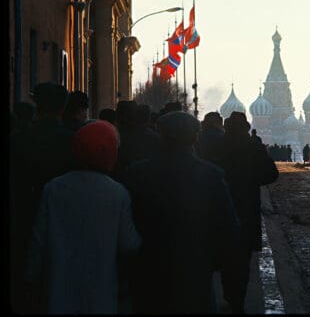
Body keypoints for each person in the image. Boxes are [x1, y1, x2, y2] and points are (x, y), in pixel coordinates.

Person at [124, 111, 240, 313]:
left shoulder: (138, 174)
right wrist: (214, 262)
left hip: (150, 271)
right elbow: (228, 228)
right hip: (195, 271)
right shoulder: (211, 176)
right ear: (196, 137)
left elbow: (129, 226)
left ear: (160, 136)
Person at [24, 120, 141, 313]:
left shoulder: (54, 188)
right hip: (101, 291)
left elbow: (38, 240)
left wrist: (30, 278)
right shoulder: (117, 193)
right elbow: (129, 243)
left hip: (58, 289)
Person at [10, 83, 76, 313]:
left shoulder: (18, 139)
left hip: (24, 219)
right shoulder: (72, 141)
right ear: (63, 107)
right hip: (63, 225)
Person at [220, 112, 278, 313]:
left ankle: (229, 295)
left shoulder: (220, 145)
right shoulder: (253, 146)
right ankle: (238, 299)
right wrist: (252, 179)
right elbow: (271, 174)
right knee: (243, 258)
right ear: (245, 127)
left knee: (226, 255)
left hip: (222, 207)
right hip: (246, 207)